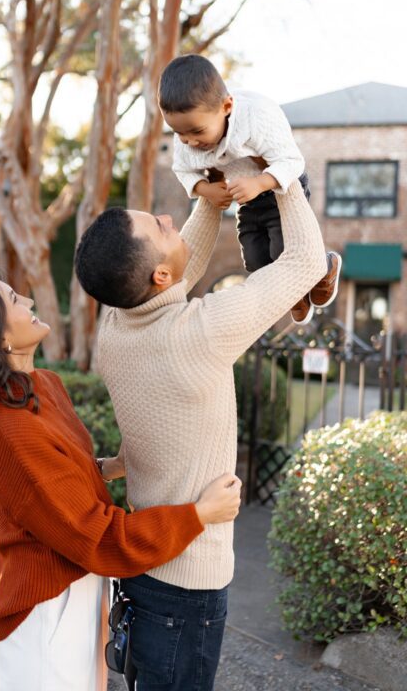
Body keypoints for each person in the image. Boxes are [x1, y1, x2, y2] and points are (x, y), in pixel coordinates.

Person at [0, 269, 243, 691]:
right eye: (14, 300)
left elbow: (56, 486)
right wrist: (199, 514)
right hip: (49, 610)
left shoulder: (40, 386)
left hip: (75, 591)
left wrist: (109, 467)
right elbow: (95, 536)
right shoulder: (11, 428)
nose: (29, 302)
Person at [73, 149, 327, 689]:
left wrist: (210, 198)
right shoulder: (198, 333)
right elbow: (306, 263)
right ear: (159, 274)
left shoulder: (116, 327)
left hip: (145, 562)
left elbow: (174, 272)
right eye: (159, 225)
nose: (170, 218)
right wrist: (279, 173)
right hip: (187, 585)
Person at [159, 54, 340, 324]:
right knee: (255, 262)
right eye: (179, 133)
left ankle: (326, 266)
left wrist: (260, 182)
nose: (190, 142)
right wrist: (205, 190)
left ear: (226, 107)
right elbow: (182, 170)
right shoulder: (185, 138)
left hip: (279, 187)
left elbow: (292, 161)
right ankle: (297, 295)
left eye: (197, 132)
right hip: (247, 200)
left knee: (284, 251)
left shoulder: (257, 118)